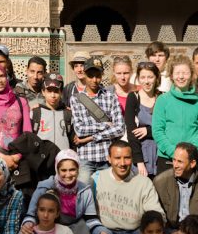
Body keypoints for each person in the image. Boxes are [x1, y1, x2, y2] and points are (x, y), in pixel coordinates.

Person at [89, 140, 165, 234]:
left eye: (127, 158)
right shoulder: (97, 179)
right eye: (117, 158)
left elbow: (156, 213)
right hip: (107, 231)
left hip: (134, 233)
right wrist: (99, 230)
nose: (122, 163)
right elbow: (87, 212)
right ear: (109, 158)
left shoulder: (143, 182)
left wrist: (148, 232)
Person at [22, 150, 103, 234]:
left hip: (76, 232)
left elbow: (91, 218)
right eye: (63, 170)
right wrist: (28, 223)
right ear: (57, 170)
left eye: (72, 170)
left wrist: (101, 231)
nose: (68, 174)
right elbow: (31, 214)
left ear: (78, 169)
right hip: (50, 228)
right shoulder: (44, 187)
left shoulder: (84, 190)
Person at [69, 58, 124, 187]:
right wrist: (105, 125)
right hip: (86, 157)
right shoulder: (76, 99)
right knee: (83, 192)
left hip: (106, 157)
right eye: (90, 76)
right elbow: (79, 130)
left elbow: (120, 128)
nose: (94, 80)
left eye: (98, 76)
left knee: (107, 193)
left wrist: (91, 137)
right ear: (85, 75)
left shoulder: (110, 97)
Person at [152, 55, 198, 173]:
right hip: (167, 158)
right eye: (177, 73)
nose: (181, 77)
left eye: (185, 73)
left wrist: (189, 152)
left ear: (192, 75)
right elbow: (158, 131)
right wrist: (174, 152)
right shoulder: (162, 100)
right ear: (171, 76)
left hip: (192, 159)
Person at [125, 61, 161, 177]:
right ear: (138, 79)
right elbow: (131, 131)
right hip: (141, 152)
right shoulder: (133, 97)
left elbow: (169, 127)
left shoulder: (162, 97)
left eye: (150, 77)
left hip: (160, 152)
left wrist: (148, 131)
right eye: (143, 77)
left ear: (156, 78)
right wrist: (139, 162)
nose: (146, 81)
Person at [31, 73, 74, 152]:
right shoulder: (35, 113)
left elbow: (73, 141)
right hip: (43, 157)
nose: (53, 95)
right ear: (43, 92)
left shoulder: (68, 114)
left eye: (56, 91)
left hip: (63, 157)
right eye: (49, 91)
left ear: (61, 92)